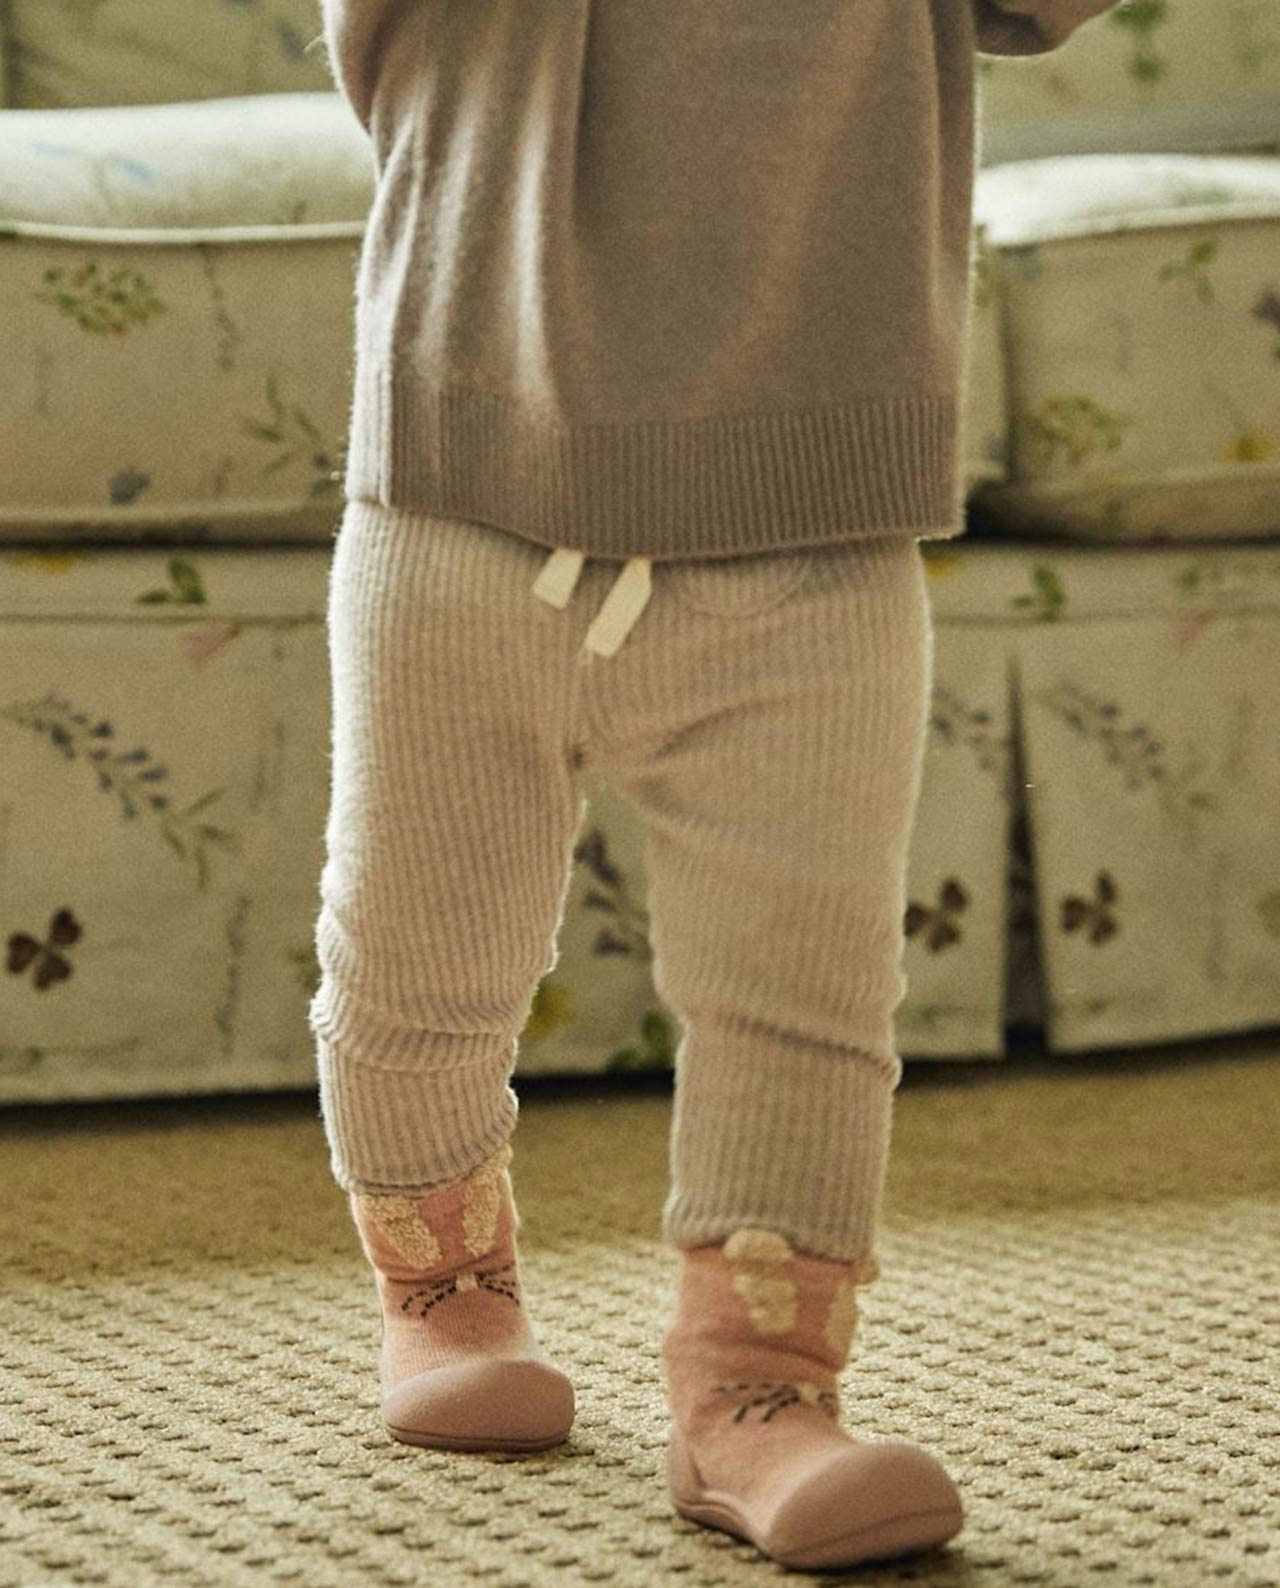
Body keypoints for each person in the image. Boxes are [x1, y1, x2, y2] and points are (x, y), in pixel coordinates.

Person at [307, 0, 1118, 1569]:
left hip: (812, 523)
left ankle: (757, 1384)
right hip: (464, 494)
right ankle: (442, 1286)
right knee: (415, 951)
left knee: (801, 996)